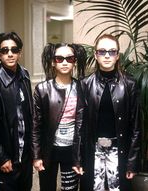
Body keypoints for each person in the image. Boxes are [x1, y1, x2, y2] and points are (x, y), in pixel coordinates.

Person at [79, 34, 141, 191]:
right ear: (95, 54)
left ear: (117, 55)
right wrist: (78, 158)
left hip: (118, 150)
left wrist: (132, 162)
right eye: (102, 51)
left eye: (112, 51)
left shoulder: (130, 84)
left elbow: (136, 127)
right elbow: (80, 126)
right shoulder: (85, 84)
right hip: (93, 150)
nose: (107, 55)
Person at [32, 42, 86, 191]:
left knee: (70, 188)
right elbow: (36, 125)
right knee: (47, 187)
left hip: (72, 149)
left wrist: (81, 156)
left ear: (74, 62)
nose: (64, 62)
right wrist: (36, 156)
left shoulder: (82, 87)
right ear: (52, 62)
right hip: (49, 149)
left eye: (69, 58)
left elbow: (84, 125)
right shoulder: (42, 89)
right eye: (59, 58)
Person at [0, 31, 33, 191]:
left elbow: (29, 117)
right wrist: (0, 158)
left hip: (25, 157)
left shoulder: (25, 75)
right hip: (7, 158)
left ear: (20, 52)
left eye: (14, 49)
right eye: (5, 50)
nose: (10, 54)